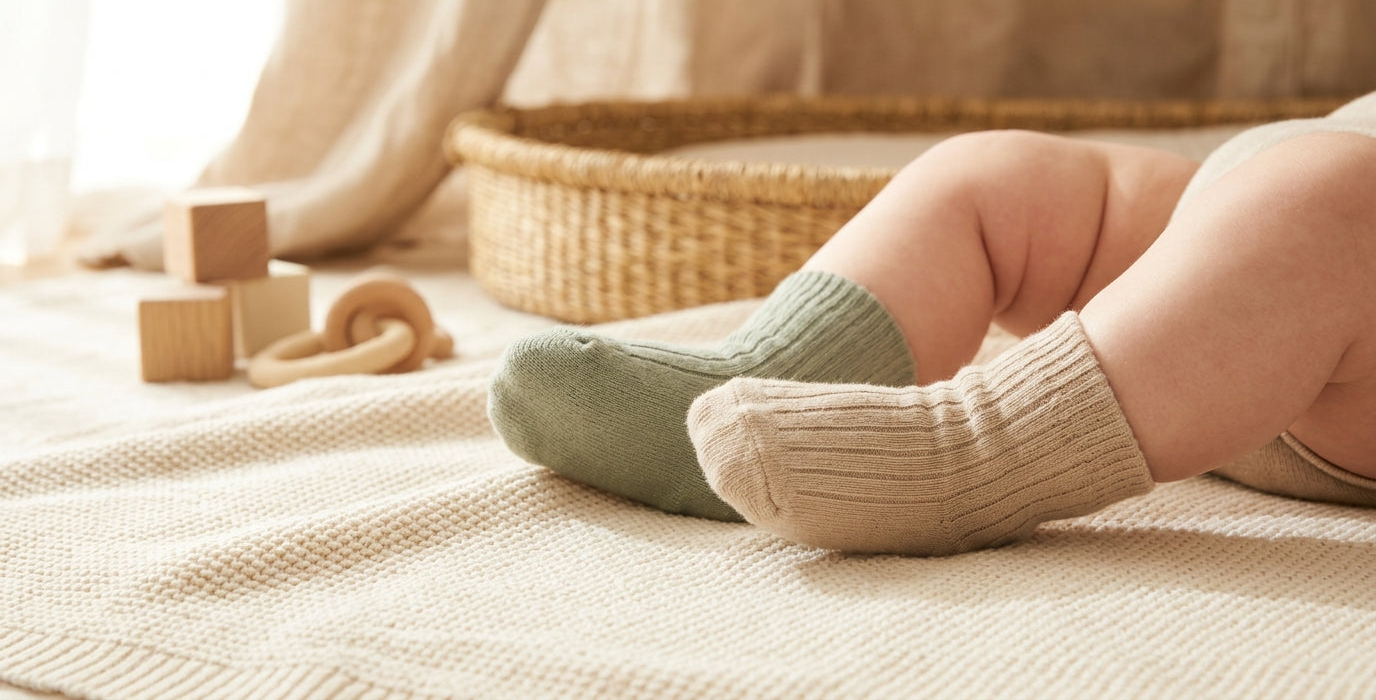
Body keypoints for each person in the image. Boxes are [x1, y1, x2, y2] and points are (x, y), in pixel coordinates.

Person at [487, 92, 1376, 556]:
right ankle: (774, 368)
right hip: (1250, 221)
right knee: (999, 176)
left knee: (1327, 205)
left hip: (1339, 320)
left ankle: (970, 452)